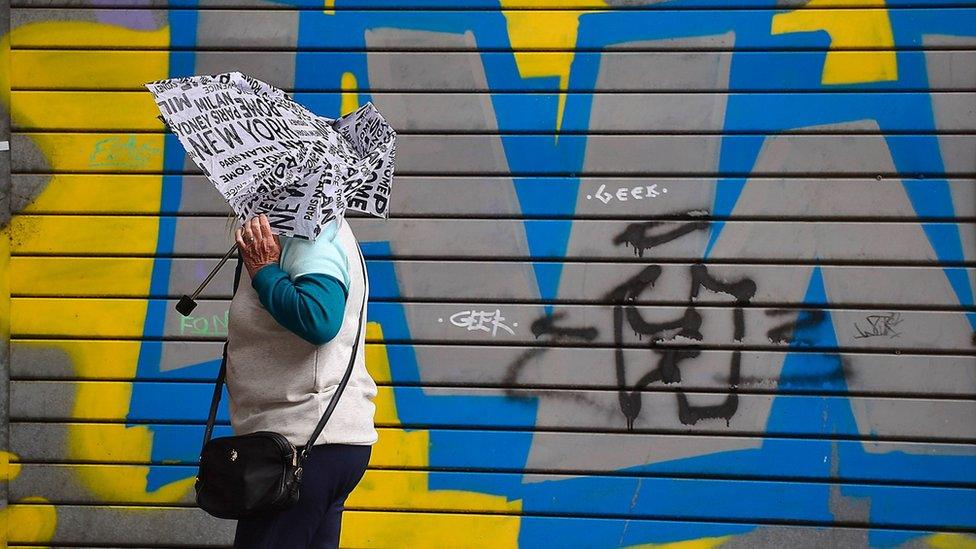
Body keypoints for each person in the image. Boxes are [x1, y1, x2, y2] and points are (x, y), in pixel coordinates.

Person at [225, 213, 377, 549]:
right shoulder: (306, 230)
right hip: (317, 442)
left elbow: (319, 318)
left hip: (301, 443)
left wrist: (264, 271)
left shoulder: (310, 234)